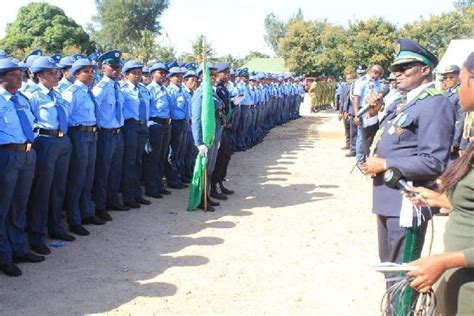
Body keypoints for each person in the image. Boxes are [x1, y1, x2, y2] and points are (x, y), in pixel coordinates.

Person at [361, 39, 455, 288]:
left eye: (405, 68)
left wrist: (386, 163)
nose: (397, 74)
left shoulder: (435, 103)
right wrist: (372, 117)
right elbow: (378, 143)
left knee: (403, 272)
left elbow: (434, 161)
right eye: (394, 70)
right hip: (387, 199)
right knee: (390, 269)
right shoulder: (401, 103)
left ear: (425, 70)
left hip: (407, 201)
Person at [405, 52, 474, 315]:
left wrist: (446, 261)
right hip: (460, 283)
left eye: (461, 79)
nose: (454, 88)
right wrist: (439, 198)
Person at [0, 58, 44, 277]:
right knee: (3, 208)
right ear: (2, 78)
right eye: (14, 75)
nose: (20, 78)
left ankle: (19, 249)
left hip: (27, 155)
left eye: (20, 74)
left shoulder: (22, 99)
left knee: (19, 206)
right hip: (7, 155)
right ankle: (4, 256)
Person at [27, 57, 75, 256]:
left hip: (63, 140)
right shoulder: (32, 96)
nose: (55, 76)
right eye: (50, 73)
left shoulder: (58, 94)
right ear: (39, 76)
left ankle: (55, 227)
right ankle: (37, 235)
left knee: (58, 187)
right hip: (45, 141)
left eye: (55, 72)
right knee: (42, 190)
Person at [62, 58, 105, 236]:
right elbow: (65, 118)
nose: (91, 74)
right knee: (77, 178)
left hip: (91, 134)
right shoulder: (71, 92)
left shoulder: (88, 92)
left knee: (88, 177)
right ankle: (74, 219)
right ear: (77, 74)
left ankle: (86, 213)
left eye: (92, 71)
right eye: (87, 71)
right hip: (78, 134)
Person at [92, 50, 129, 219]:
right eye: (112, 67)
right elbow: (94, 111)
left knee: (116, 169)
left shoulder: (118, 86)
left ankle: (113, 200)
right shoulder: (99, 89)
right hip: (106, 133)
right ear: (103, 68)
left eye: (118, 67)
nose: (116, 70)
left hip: (118, 132)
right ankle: (100, 205)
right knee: (103, 171)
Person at [120, 60, 151, 209]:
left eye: (139, 73)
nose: (138, 76)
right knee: (130, 162)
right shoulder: (122, 89)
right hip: (130, 126)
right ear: (126, 75)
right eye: (134, 73)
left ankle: (137, 194)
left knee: (139, 160)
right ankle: (128, 196)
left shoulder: (143, 89)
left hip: (142, 126)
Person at [191, 64, 222, 212]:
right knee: (204, 170)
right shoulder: (200, 94)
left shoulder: (211, 92)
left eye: (215, 75)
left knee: (210, 169)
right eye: (211, 75)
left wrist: (218, 137)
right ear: (203, 76)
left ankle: (207, 195)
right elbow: (196, 118)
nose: (214, 78)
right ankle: (201, 200)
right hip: (204, 138)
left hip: (213, 136)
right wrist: (198, 142)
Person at [143, 62, 173, 198]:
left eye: (164, 73)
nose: (163, 75)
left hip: (166, 124)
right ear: (152, 74)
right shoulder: (150, 89)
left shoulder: (164, 89)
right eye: (160, 73)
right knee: (153, 158)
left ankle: (159, 184)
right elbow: (146, 110)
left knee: (162, 156)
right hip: (155, 124)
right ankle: (151, 187)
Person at [211, 62, 235, 200]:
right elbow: (219, 110)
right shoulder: (216, 90)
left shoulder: (224, 89)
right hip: (221, 127)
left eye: (228, 73)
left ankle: (220, 182)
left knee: (225, 157)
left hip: (227, 126)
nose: (227, 75)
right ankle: (214, 186)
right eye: (224, 73)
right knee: (219, 159)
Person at [352, 64, 384, 163]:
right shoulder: (361, 82)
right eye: (377, 74)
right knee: (361, 136)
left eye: (379, 75)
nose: (378, 77)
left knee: (371, 135)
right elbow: (356, 99)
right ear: (372, 71)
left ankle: (368, 158)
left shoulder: (378, 83)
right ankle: (360, 161)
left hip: (374, 111)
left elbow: (380, 96)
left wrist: (381, 104)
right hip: (363, 111)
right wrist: (357, 115)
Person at [166, 66, 189, 189]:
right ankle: (173, 178)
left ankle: (180, 175)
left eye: (181, 76)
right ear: (170, 78)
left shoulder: (183, 90)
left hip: (184, 122)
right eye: (177, 76)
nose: (180, 78)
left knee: (181, 151)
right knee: (173, 152)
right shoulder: (170, 91)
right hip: (175, 123)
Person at [440, 65, 464, 162]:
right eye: (445, 78)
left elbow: (461, 119)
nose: (448, 80)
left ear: (459, 77)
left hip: (454, 137)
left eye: (451, 77)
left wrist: (455, 140)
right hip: (444, 135)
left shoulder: (461, 93)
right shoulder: (446, 93)